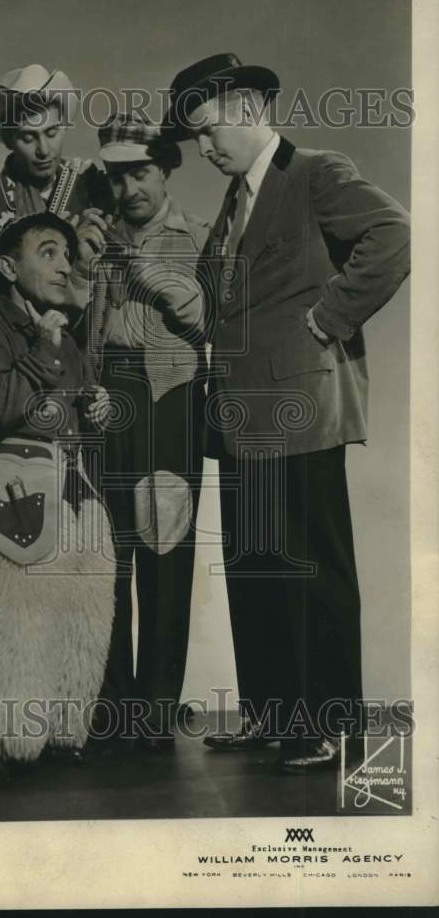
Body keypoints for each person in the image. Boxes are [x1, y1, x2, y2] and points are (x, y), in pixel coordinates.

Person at [164, 53, 411, 772]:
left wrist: (326, 319)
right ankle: (272, 717)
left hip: (301, 404)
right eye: (195, 139)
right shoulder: (234, 201)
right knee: (256, 567)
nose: (203, 149)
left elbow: (392, 235)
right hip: (241, 417)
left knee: (313, 569)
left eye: (208, 132)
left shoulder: (314, 173)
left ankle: (329, 726)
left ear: (246, 107)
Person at [0, 212, 116, 788]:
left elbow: (74, 410)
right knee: (15, 619)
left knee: (81, 615)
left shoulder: (66, 336)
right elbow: (0, 407)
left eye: (66, 254)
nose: (63, 264)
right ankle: (6, 741)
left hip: (73, 488)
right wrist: (48, 351)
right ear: (8, 267)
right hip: (16, 488)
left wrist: (94, 407)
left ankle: (64, 731)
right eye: (47, 252)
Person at [70, 112, 210, 753]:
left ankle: (156, 708)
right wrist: (80, 254)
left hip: (171, 401)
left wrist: (143, 266)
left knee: (165, 548)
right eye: (119, 177)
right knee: (108, 554)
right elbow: (68, 314)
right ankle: (111, 705)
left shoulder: (199, 236)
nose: (130, 190)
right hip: (105, 397)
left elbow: (206, 318)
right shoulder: (94, 235)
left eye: (142, 173)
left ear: (167, 170)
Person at [0, 64, 111, 240]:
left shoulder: (91, 181)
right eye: (28, 138)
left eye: (52, 133)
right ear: (9, 140)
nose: (44, 151)